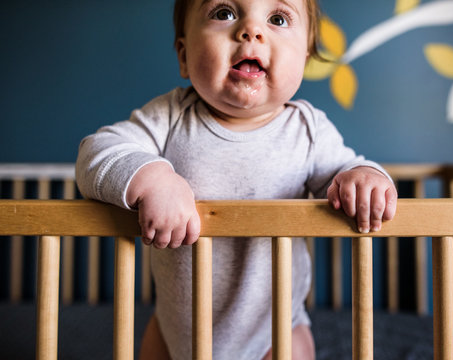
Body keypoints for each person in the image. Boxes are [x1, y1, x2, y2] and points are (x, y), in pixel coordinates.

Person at [75, 0, 398, 358]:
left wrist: (364, 179)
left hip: (274, 333)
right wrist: (153, 179)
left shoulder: (308, 132)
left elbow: (346, 171)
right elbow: (96, 151)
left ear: (303, 60)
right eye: (224, 13)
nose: (251, 30)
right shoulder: (170, 118)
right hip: (174, 333)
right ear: (184, 55)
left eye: (277, 18)